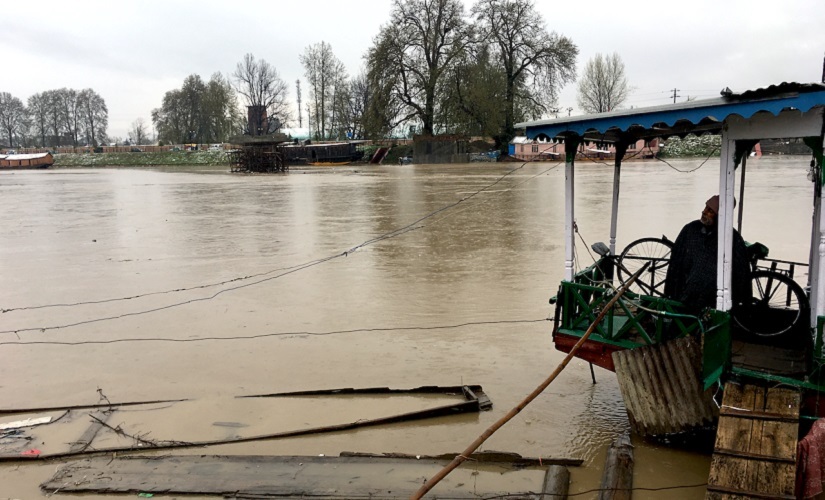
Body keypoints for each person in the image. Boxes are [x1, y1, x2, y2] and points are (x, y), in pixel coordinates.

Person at [664, 195, 752, 312]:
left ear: (719, 215)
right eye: (706, 208)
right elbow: (676, 259)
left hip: (711, 294)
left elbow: (740, 271)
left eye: (710, 211)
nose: (704, 212)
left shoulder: (732, 238)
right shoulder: (691, 229)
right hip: (686, 287)